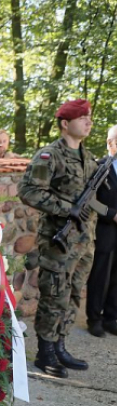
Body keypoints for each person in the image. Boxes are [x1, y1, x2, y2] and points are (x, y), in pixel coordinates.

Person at [18, 98, 99, 378]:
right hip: (57, 242)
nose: (89, 122)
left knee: (74, 295)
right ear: (66, 124)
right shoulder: (49, 155)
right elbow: (28, 191)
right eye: (82, 118)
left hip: (83, 242)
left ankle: (61, 346)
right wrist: (67, 209)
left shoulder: (88, 158)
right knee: (54, 296)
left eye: (89, 117)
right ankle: (45, 352)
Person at [86, 125, 117, 337]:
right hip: (106, 227)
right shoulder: (99, 166)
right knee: (100, 275)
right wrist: (111, 214)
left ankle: (111, 318)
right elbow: (89, 199)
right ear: (110, 143)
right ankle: (94, 319)